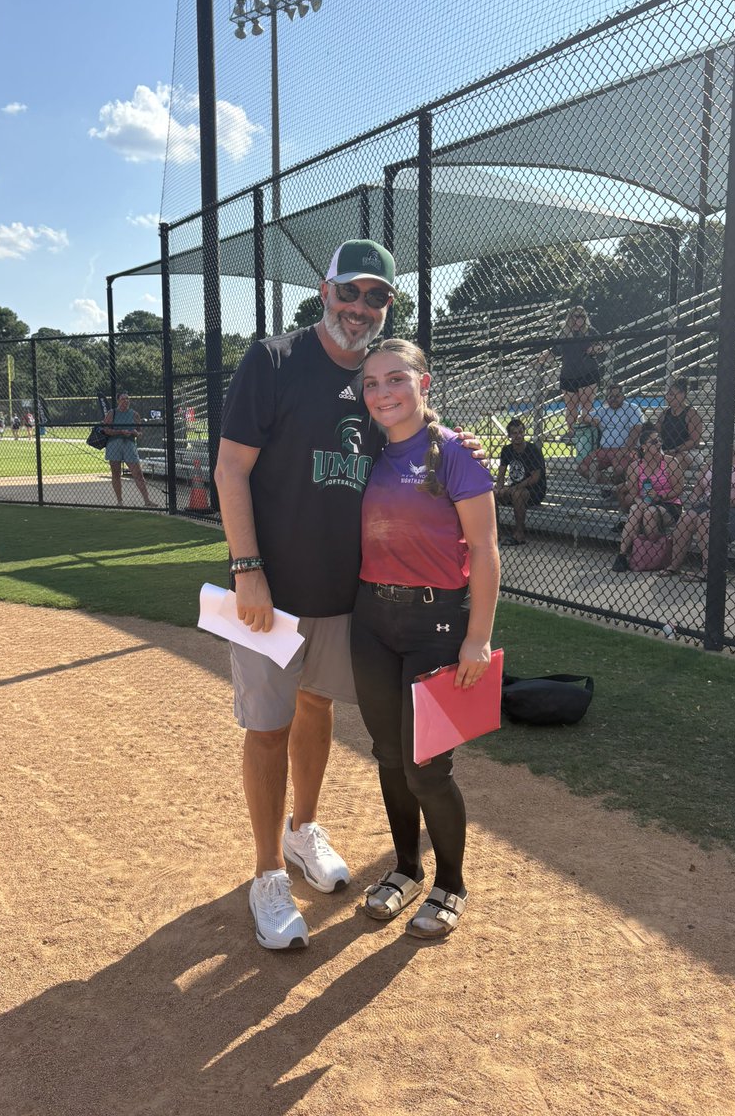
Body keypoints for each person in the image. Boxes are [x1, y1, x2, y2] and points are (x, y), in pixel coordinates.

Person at [214, 239, 400, 951]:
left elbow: (415, 445)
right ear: (325, 292)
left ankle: (303, 831)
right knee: (267, 726)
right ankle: (267, 873)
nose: (359, 308)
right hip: (271, 588)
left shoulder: (381, 378)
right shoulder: (276, 360)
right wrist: (247, 567)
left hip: (342, 590)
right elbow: (231, 471)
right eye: (349, 292)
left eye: (375, 297)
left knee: (317, 706)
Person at [351, 339, 499, 940]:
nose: (383, 393)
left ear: (424, 383)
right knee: (388, 757)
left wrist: (478, 638)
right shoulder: (362, 452)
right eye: (371, 384)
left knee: (427, 770)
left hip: (436, 623)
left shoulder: (455, 454)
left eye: (395, 380)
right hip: (371, 620)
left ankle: (451, 884)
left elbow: (486, 552)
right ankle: (407, 869)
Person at [661, 432, 735, 578]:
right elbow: (700, 484)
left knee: (705, 519)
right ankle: (674, 565)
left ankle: (709, 570)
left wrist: (725, 502)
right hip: (711, 504)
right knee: (686, 518)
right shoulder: (713, 461)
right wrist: (695, 497)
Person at [612, 427, 683, 571]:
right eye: (654, 442)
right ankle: (622, 555)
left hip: (669, 504)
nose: (659, 444)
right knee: (635, 508)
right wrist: (640, 502)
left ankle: (650, 550)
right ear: (643, 447)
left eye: (659, 441)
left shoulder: (670, 462)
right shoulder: (635, 467)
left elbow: (678, 489)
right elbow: (632, 494)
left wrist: (659, 496)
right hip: (645, 504)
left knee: (649, 512)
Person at [537, 306, 604, 438]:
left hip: (587, 371)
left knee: (586, 404)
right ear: (570, 317)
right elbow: (554, 350)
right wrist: (539, 360)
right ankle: (572, 433)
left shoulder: (590, 331)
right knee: (571, 406)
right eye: (577, 316)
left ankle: (588, 432)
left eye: (583, 316)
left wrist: (594, 349)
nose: (580, 319)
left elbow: (600, 346)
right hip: (568, 373)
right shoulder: (564, 333)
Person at [493, 417, 546, 546]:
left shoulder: (533, 450)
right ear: (510, 435)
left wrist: (514, 488)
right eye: (515, 433)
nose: (518, 436)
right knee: (492, 493)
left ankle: (519, 534)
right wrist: (499, 488)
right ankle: (496, 533)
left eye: (521, 432)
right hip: (515, 488)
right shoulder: (507, 450)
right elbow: (501, 475)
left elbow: (535, 478)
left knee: (518, 494)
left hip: (534, 491)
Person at [578, 383, 643, 488]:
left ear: (623, 396)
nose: (614, 399)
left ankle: (617, 488)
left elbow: (637, 429)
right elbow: (581, 418)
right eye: (610, 397)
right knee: (582, 467)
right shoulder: (603, 410)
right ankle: (609, 486)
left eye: (617, 396)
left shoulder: (632, 408)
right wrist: (590, 420)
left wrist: (626, 449)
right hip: (604, 449)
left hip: (627, 448)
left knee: (619, 469)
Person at [102, 392, 158, 509]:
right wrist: (120, 432)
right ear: (118, 401)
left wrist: (136, 433)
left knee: (138, 473)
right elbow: (105, 429)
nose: (125, 401)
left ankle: (147, 500)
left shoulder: (134, 414)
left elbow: (140, 432)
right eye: (123, 399)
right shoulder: (112, 413)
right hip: (114, 445)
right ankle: (120, 501)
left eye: (127, 399)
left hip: (129, 444)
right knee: (115, 473)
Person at [655, 378, 703, 472]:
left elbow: (694, 441)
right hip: (666, 451)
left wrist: (675, 450)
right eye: (668, 394)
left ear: (682, 394)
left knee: (673, 461)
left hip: (688, 452)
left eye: (672, 394)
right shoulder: (664, 413)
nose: (668, 397)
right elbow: (656, 432)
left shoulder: (692, 413)